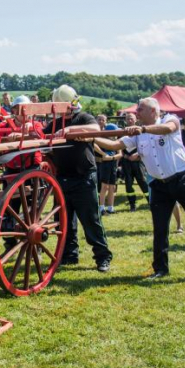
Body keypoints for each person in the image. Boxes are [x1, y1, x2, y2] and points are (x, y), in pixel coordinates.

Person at [90, 97, 185, 279]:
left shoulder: (170, 119)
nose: (136, 113)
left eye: (140, 110)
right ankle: (160, 268)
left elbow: (168, 129)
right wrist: (92, 138)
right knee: (160, 228)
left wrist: (143, 129)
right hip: (159, 185)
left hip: (183, 179)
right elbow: (115, 145)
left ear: (153, 111)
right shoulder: (137, 134)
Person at [43, 85, 112, 272]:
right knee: (65, 222)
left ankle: (102, 257)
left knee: (90, 220)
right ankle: (69, 256)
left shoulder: (83, 118)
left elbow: (94, 128)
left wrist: (69, 130)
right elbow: (42, 136)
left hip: (84, 178)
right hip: (62, 179)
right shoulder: (55, 124)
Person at [120, 112, 149, 211]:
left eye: (131, 118)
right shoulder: (122, 132)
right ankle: (132, 204)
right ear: (125, 120)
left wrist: (137, 155)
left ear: (135, 119)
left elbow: (146, 146)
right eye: (128, 119)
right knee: (128, 184)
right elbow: (118, 148)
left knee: (143, 182)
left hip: (138, 161)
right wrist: (126, 156)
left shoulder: (141, 132)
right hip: (126, 162)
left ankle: (151, 201)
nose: (130, 120)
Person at [95, 123, 122, 215]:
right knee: (104, 187)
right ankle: (101, 208)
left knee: (112, 187)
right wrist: (103, 154)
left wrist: (112, 158)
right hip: (105, 166)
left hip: (113, 165)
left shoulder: (115, 142)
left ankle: (111, 208)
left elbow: (120, 153)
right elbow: (94, 144)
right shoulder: (103, 142)